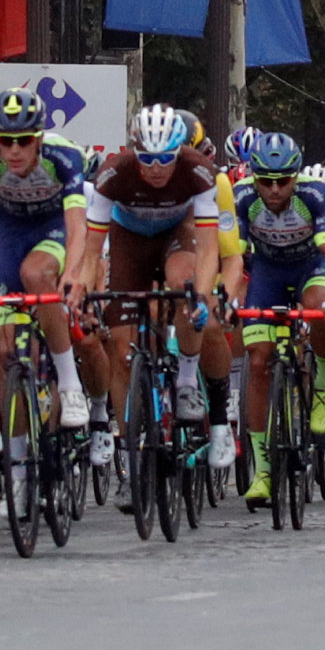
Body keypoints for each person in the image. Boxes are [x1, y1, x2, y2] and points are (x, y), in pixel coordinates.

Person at [83, 103, 225, 477]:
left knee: (185, 285)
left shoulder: (198, 170)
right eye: (147, 158)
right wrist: (82, 294)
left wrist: (203, 296)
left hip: (177, 234)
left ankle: (186, 380)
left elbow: (209, 248)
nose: (157, 167)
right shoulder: (113, 173)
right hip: (129, 239)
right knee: (120, 349)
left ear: (179, 152)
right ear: (135, 152)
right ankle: (130, 455)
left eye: (166, 158)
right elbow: (91, 251)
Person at [0, 88, 92, 438]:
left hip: (52, 225)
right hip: (11, 230)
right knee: (6, 351)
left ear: (38, 138)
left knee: (35, 273)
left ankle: (70, 385)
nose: (13, 151)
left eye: (23, 141)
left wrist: (72, 273)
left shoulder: (64, 155)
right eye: (5, 141)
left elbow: (76, 226)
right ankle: (21, 455)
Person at [225, 131, 325, 505]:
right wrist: (226, 298)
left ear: (296, 176)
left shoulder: (313, 194)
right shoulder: (242, 196)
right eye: (266, 181)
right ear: (254, 177)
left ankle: (322, 384)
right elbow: (233, 257)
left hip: (310, 266)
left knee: (319, 306)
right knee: (258, 360)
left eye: (283, 181)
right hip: (268, 272)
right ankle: (262, 470)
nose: (274, 189)